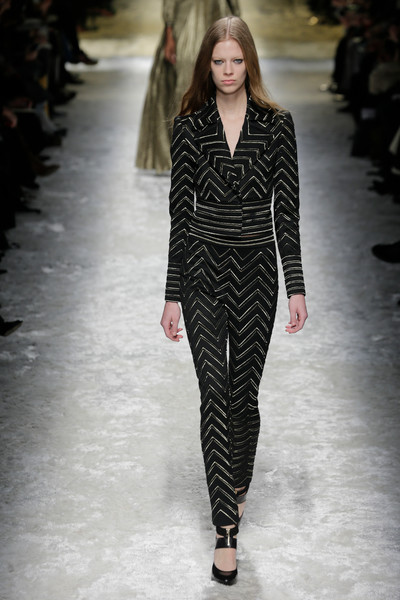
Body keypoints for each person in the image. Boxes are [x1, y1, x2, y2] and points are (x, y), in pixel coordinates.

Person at [160, 16, 308, 585]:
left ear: (250, 62)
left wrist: (296, 285)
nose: (227, 71)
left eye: (236, 61)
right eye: (218, 62)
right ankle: (225, 528)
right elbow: (180, 215)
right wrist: (172, 294)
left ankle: (237, 484)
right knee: (213, 394)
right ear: (207, 65)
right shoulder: (189, 125)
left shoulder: (277, 125)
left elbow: (286, 212)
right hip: (201, 269)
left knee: (242, 397)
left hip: (256, 274)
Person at [136, 0, 240, 173]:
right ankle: (187, 155)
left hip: (217, 15)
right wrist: (169, 29)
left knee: (219, 84)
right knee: (187, 86)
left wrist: (236, 20)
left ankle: (216, 154)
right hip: (186, 19)